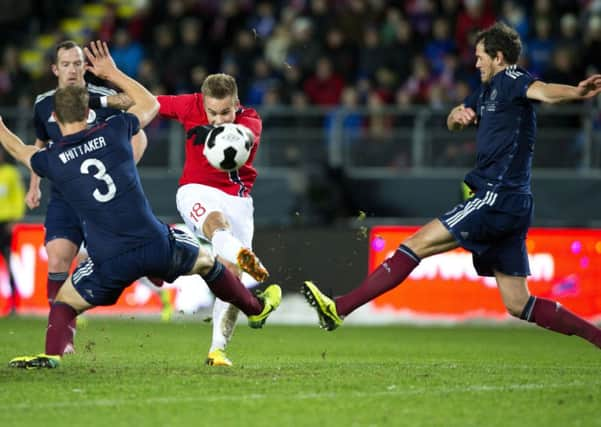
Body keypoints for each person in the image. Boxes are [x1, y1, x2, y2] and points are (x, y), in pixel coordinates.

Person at [302, 22, 601, 350]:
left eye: (480, 57)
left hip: (494, 196)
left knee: (415, 244)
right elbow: (457, 115)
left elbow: (543, 90)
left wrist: (576, 92)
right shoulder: (487, 91)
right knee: (518, 303)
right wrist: (454, 116)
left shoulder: (513, 79)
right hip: (514, 202)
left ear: (499, 57)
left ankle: (339, 308)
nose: (475, 64)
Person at [4, 40, 281, 369]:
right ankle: (254, 306)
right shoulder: (116, 130)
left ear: (55, 118)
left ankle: (53, 354)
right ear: (88, 113)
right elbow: (149, 102)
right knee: (209, 264)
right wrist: (113, 74)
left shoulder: (52, 160)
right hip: (154, 243)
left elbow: (19, 148)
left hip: (109, 260)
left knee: (64, 303)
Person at [26, 40, 170, 347]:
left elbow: (139, 128)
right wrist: (34, 184)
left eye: (78, 63)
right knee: (57, 259)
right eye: (66, 64)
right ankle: (62, 333)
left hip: (103, 197)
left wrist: (125, 168)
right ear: (55, 69)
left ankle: (159, 275)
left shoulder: (105, 99)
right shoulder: (42, 105)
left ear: (85, 67)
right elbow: (39, 146)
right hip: (65, 196)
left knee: (123, 250)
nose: (73, 70)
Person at [156, 73, 270, 367]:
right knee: (217, 223)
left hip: (239, 201)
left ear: (237, 104)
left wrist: (209, 133)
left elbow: (243, 139)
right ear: (203, 103)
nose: (219, 119)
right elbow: (147, 101)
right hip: (197, 191)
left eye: (225, 112)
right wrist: (105, 94)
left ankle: (217, 350)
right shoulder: (189, 106)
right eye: (212, 113)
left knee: (232, 276)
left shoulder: (251, 121)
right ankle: (242, 255)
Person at [0, 147, 25, 313]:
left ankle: (14, 303)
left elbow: (17, 196)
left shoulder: (10, 173)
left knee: (8, 261)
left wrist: (14, 219)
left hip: (4, 223)